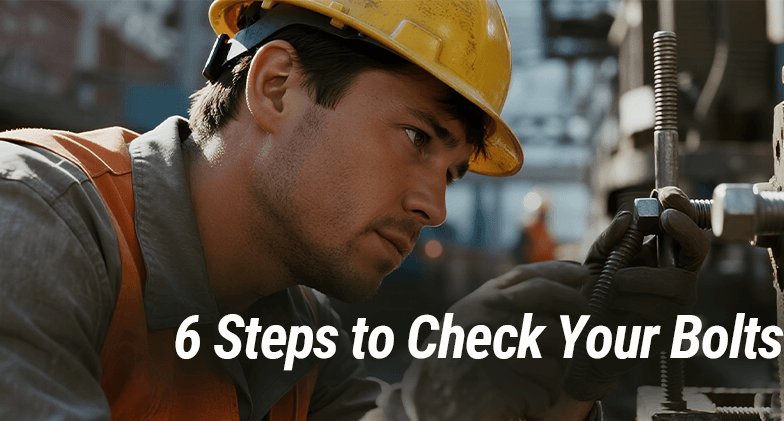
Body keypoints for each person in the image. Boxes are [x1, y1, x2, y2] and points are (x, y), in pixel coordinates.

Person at [0, 1, 709, 420]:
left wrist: (556, 389)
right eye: (416, 138)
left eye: (453, 172)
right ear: (277, 86)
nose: (432, 205)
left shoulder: (302, 333)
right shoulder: (32, 222)